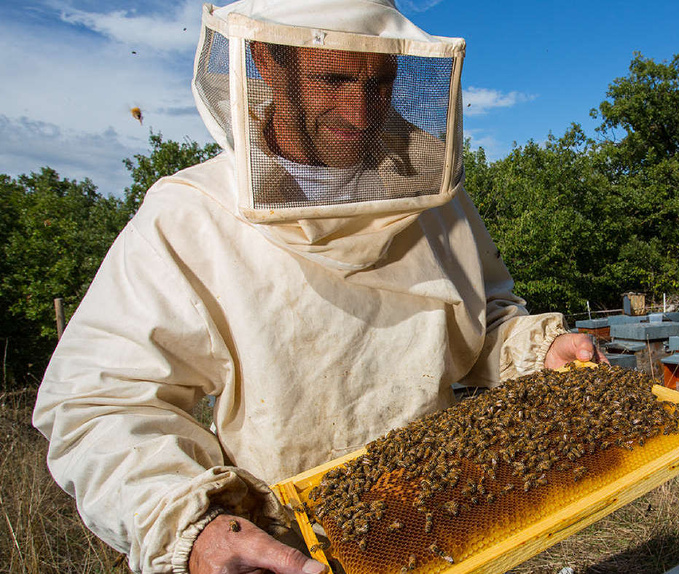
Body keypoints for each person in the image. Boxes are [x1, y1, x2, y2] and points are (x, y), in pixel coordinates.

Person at [32, 1, 603, 573]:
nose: (361, 110)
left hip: (445, 514)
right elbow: (99, 403)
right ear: (269, 65)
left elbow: (484, 320)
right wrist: (192, 528)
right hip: (281, 547)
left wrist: (537, 347)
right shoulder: (187, 217)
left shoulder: (434, 194)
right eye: (333, 79)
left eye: (379, 83)